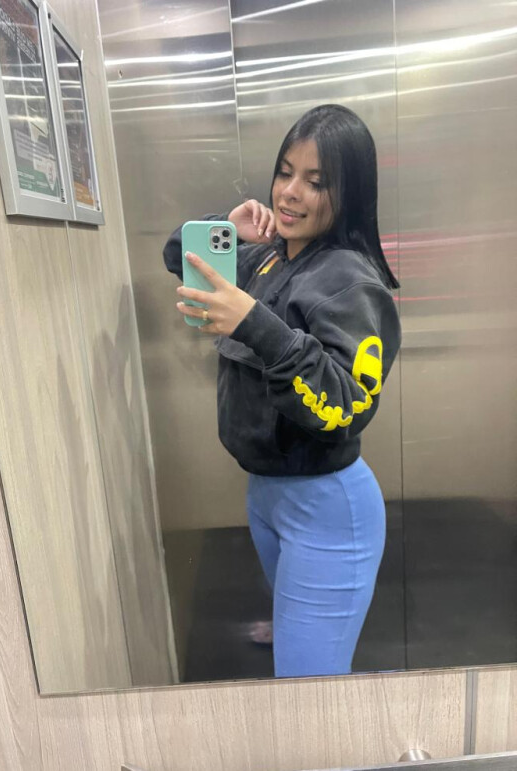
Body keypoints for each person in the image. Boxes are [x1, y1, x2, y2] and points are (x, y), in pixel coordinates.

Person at [163, 104, 401, 678]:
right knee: (298, 659)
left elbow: (345, 406)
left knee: (306, 693)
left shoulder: (350, 280)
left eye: (316, 182)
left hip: (326, 506)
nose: (290, 193)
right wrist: (226, 227)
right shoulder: (270, 257)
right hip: (267, 494)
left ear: (349, 192)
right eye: (285, 172)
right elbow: (177, 256)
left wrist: (255, 324)